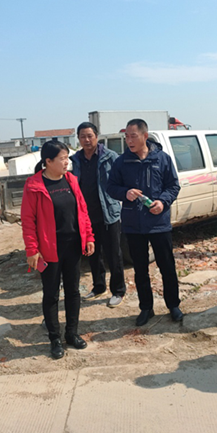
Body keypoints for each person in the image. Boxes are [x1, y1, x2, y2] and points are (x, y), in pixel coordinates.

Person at [21, 140, 95, 360]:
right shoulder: (34, 186)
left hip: (73, 246)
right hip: (49, 249)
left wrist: (89, 237)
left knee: (73, 291)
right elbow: (28, 221)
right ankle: (55, 338)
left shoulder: (71, 180)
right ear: (48, 161)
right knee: (51, 294)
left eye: (67, 158)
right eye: (62, 159)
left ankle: (72, 333)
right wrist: (32, 249)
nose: (66, 162)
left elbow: (83, 211)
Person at [107, 119, 182, 326]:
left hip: (159, 222)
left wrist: (163, 202)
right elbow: (111, 187)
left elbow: (173, 186)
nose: (129, 141)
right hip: (133, 224)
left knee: (167, 266)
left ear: (145, 136)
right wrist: (126, 193)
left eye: (133, 136)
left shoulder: (162, 159)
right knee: (140, 269)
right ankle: (146, 308)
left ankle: (173, 305)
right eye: (126, 137)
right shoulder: (122, 162)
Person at [70, 122, 126, 307]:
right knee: (92, 253)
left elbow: (121, 182)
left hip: (108, 213)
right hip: (86, 216)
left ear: (96, 136)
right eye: (82, 136)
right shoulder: (76, 160)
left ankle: (118, 290)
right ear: (78, 139)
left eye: (90, 136)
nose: (86, 140)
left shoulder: (110, 157)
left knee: (113, 254)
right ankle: (99, 286)